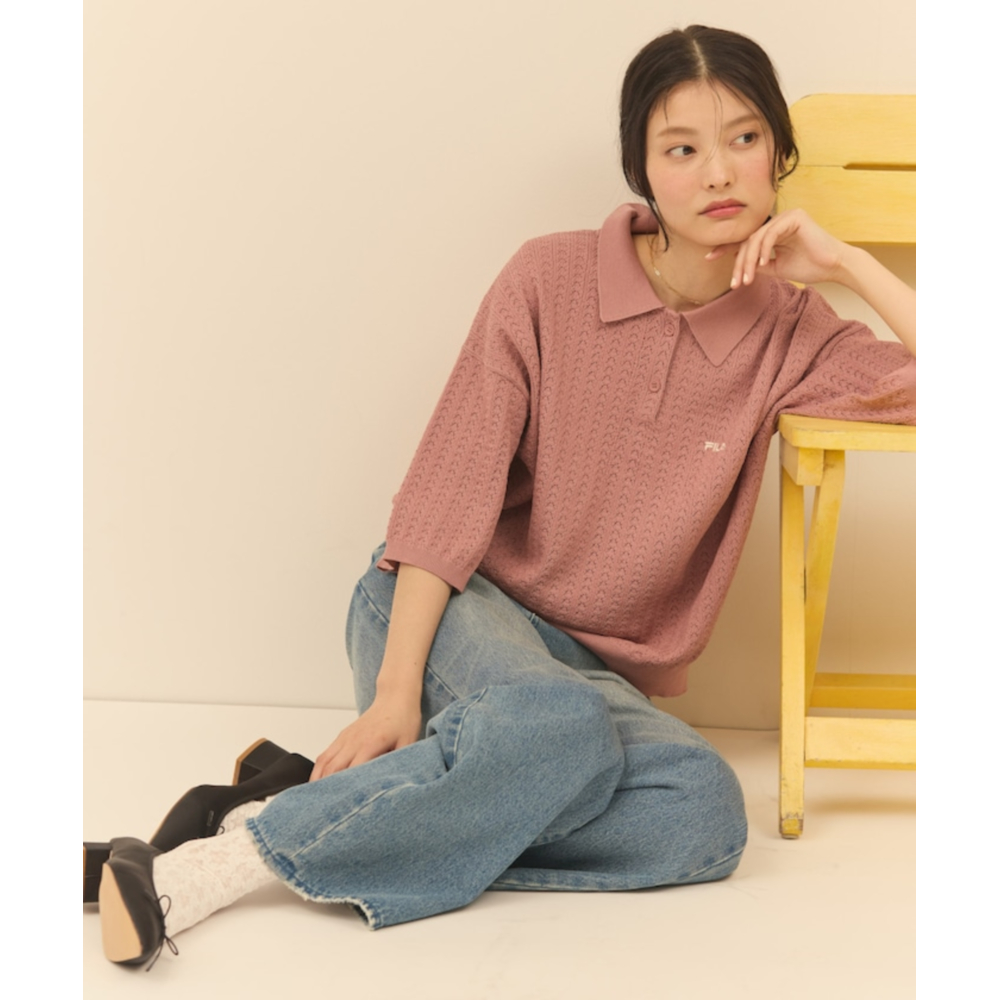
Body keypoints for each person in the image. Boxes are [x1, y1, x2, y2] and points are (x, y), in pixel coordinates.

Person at [90, 24, 915, 968]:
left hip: (589, 685)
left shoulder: (796, 334)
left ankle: (282, 805)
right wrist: (396, 695)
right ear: (642, 171)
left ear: (778, 152)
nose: (719, 173)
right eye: (682, 149)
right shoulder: (548, 279)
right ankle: (206, 869)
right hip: (448, 611)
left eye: (744, 139)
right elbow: (450, 488)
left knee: (703, 814)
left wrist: (849, 265)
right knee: (559, 731)